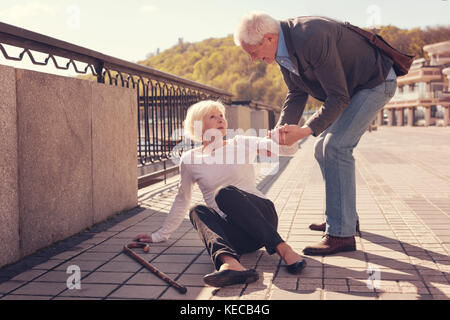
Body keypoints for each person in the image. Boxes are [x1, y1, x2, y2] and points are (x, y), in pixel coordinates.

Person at [234, 12, 398, 256]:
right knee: (323, 148)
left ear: (268, 38)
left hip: (375, 82)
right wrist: (281, 130)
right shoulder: (282, 49)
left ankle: (341, 235)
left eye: (253, 51)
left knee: (335, 147)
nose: (254, 58)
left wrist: (303, 131)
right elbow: (296, 92)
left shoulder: (311, 36)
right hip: (352, 89)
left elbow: (338, 97)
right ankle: (343, 217)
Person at [133, 100, 306, 287]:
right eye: (212, 116)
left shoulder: (240, 142)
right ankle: (230, 265)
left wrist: (282, 137)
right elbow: (182, 198)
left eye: (221, 115)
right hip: (239, 238)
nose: (220, 119)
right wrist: (160, 235)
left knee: (224, 194)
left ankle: (284, 249)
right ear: (197, 125)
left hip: (263, 219)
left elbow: (287, 150)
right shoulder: (190, 159)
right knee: (196, 209)